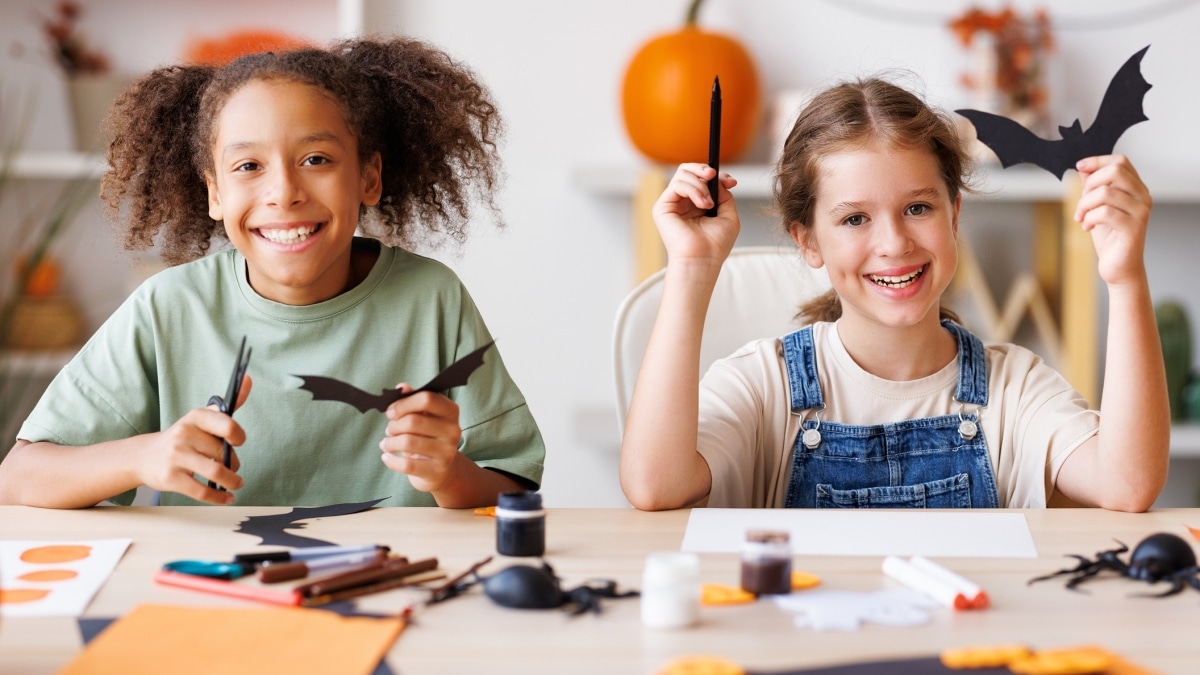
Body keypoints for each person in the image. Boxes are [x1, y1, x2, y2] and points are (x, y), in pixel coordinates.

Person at [0, 38, 544, 509]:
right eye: (248, 167)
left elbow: (514, 491)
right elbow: (18, 478)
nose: (283, 191)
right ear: (215, 192)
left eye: (316, 160)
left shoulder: (432, 298)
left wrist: (448, 474)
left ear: (369, 178)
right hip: (218, 597)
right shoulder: (168, 306)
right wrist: (144, 455)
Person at [620, 77, 1168, 512]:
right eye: (855, 218)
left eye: (918, 208)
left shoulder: (1014, 389)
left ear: (954, 215)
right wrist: (692, 268)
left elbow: (1126, 485)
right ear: (808, 241)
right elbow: (654, 487)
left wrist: (1125, 279)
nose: (893, 243)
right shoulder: (764, 385)